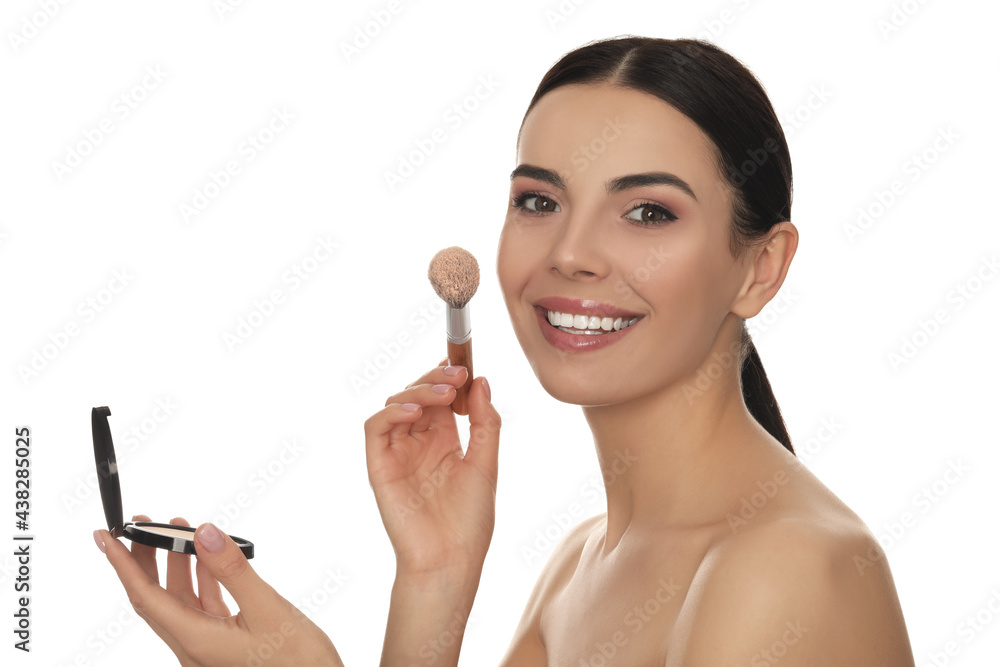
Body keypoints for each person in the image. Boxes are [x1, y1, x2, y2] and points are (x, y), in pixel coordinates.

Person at [95, 35, 916, 665]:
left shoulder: (786, 567)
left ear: (760, 267)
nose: (570, 252)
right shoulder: (578, 563)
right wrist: (434, 579)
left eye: (649, 212)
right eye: (539, 199)